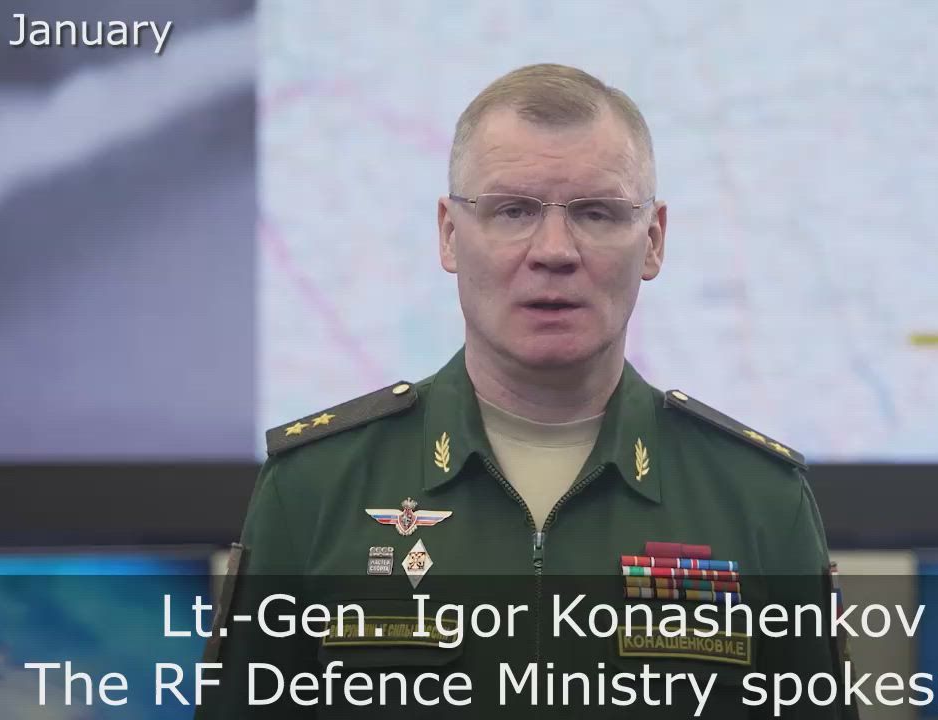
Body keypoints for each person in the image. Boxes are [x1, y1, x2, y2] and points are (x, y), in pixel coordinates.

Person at [200, 63, 854, 719]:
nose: (554, 251)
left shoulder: (759, 500)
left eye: (596, 213)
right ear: (449, 234)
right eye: (513, 210)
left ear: (653, 241)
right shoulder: (315, 488)